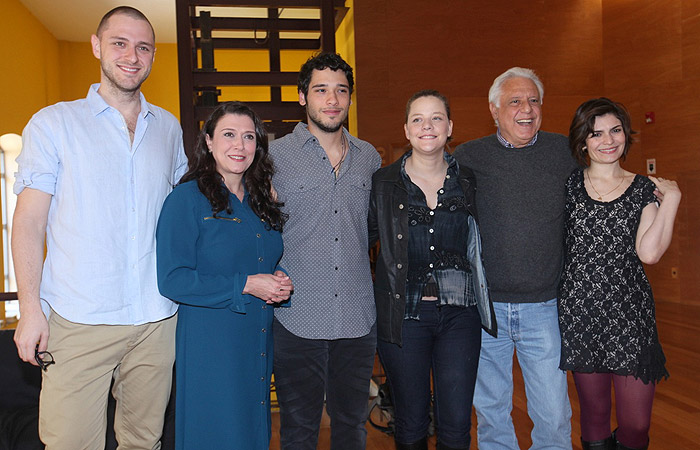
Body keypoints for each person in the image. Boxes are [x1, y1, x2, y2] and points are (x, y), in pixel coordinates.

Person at [11, 7, 187, 449]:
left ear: (152, 56)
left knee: (144, 441)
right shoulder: (53, 123)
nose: (132, 56)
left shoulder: (167, 127)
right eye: (120, 43)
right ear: (97, 46)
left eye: (144, 47)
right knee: (69, 443)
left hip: (155, 316)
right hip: (77, 320)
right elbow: (29, 221)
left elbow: (188, 207)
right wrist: (30, 309)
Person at [453, 67, 578, 450]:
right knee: (491, 414)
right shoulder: (469, 156)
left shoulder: (565, 151)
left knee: (554, 416)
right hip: (485, 309)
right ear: (494, 110)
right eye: (515, 101)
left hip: (544, 307)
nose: (527, 109)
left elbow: (605, 179)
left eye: (534, 100)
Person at [156, 101, 292, 450]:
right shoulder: (186, 199)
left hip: (256, 337)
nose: (240, 145)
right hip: (211, 344)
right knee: (216, 433)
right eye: (229, 135)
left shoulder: (261, 200)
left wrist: (278, 278)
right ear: (209, 142)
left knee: (252, 433)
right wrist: (247, 284)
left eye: (249, 137)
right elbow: (172, 279)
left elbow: (261, 258)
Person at [368, 90, 497, 450]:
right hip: (403, 314)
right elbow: (355, 241)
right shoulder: (383, 183)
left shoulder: (469, 181)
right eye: (418, 119)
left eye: (437, 118)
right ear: (406, 130)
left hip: (461, 316)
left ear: (450, 127)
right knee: (410, 423)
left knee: (456, 424)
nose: (428, 126)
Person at [270, 52, 381, 450]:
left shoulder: (369, 158)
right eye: (321, 90)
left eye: (341, 91)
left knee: (352, 426)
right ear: (302, 97)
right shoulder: (274, 158)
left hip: (357, 315)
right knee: (299, 429)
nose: (332, 99)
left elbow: (371, 228)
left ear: (350, 98)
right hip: (296, 314)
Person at [560, 98, 681, 450]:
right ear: (583, 141)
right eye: (596, 134)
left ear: (626, 135)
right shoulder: (568, 186)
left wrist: (670, 200)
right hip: (580, 313)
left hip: (630, 316)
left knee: (636, 424)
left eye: (615, 131)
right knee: (594, 415)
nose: (608, 140)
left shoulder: (643, 188)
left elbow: (649, 252)